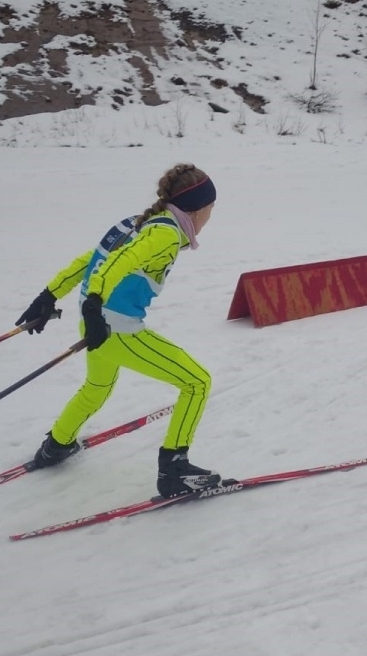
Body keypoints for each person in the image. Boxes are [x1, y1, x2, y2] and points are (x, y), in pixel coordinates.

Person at [16, 163, 219, 498]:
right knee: (197, 382)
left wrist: (50, 294)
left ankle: (57, 445)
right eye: (210, 209)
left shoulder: (143, 222)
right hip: (116, 328)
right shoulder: (165, 233)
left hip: (95, 321)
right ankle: (174, 471)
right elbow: (113, 264)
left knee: (97, 386)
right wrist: (96, 302)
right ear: (195, 209)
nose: (211, 216)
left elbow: (90, 260)